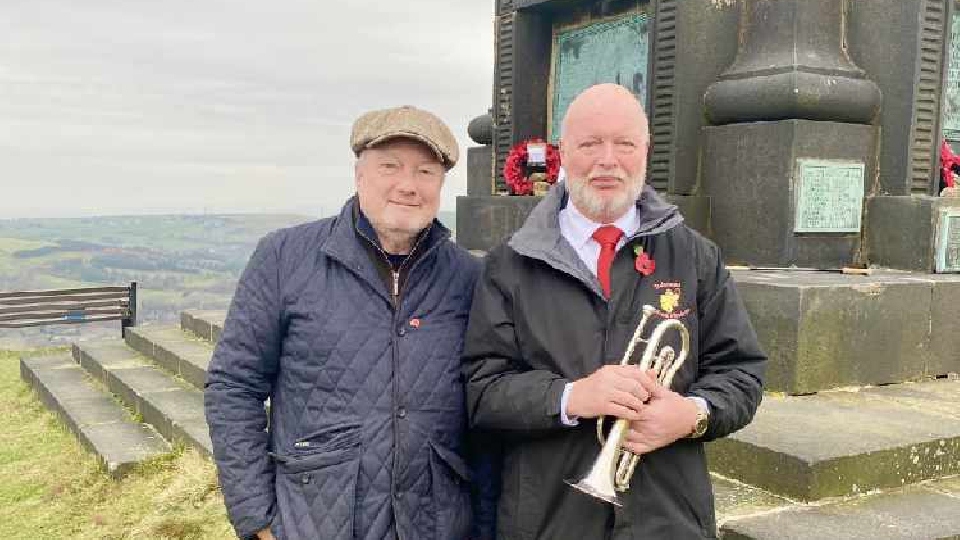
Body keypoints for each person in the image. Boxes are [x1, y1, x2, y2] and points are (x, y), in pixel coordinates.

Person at [463, 84, 767, 539]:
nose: (608, 160)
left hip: (668, 521)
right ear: (563, 152)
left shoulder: (696, 257)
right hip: (547, 522)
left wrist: (694, 414)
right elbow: (482, 392)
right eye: (590, 144)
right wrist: (570, 397)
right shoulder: (508, 264)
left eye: (624, 143)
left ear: (644, 150)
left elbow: (741, 374)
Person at [205, 105, 495, 540]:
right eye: (390, 167)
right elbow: (233, 386)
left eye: (425, 172)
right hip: (313, 522)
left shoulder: (467, 278)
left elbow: (482, 408)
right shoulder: (284, 258)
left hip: (437, 522)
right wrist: (257, 520)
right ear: (360, 174)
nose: (407, 185)